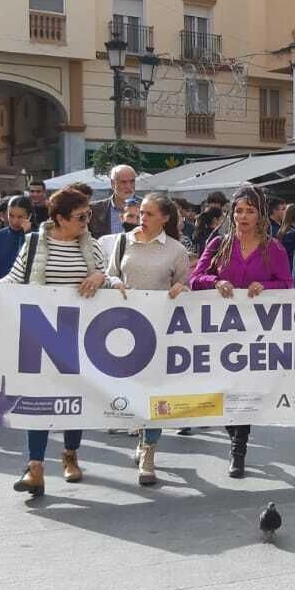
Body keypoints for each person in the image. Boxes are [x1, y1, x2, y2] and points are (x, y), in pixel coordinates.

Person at [0, 188, 107, 496]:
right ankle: (35, 467)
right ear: (59, 218)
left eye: (88, 215)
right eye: (80, 216)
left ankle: (70, 454)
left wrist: (101, 278)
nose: (86, 221)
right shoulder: (35, 242)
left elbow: (111, 279)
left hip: (79, 331)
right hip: (39, 329)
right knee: (37, 397)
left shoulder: (92, 245)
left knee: (75, 395)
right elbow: (14, 279)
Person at [191, 186, 294, 478]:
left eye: (250, 211)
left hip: (256, 332)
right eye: (238, 211)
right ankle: (233, 431)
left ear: (260, 215)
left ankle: (239, 448)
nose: (243, 216)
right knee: (224, 388)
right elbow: (195, 278)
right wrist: (215, 282)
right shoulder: (219, 244)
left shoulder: (273, 248)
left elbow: (287, 283)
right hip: (220, 331)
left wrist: (266, 286)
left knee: (244, 388)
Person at [105, 194, 192, 486]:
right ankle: (141, 436)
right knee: (133, 388)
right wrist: (115, 282)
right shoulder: (123, 242)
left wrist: (182, 288)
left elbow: (185, 285)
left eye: (150, 214)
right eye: (141, 212)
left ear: (165, 218)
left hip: (160, 328)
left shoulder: (176, 250)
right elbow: (110, 275)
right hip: (124, 328)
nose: (143, 218)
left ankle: (149, 450)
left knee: (155, 391)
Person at [88, 165, 137, 240]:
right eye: (123, 182)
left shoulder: (147, 208)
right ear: (112, 183)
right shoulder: (94, 210)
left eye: (132, 181)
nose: (128, 186)